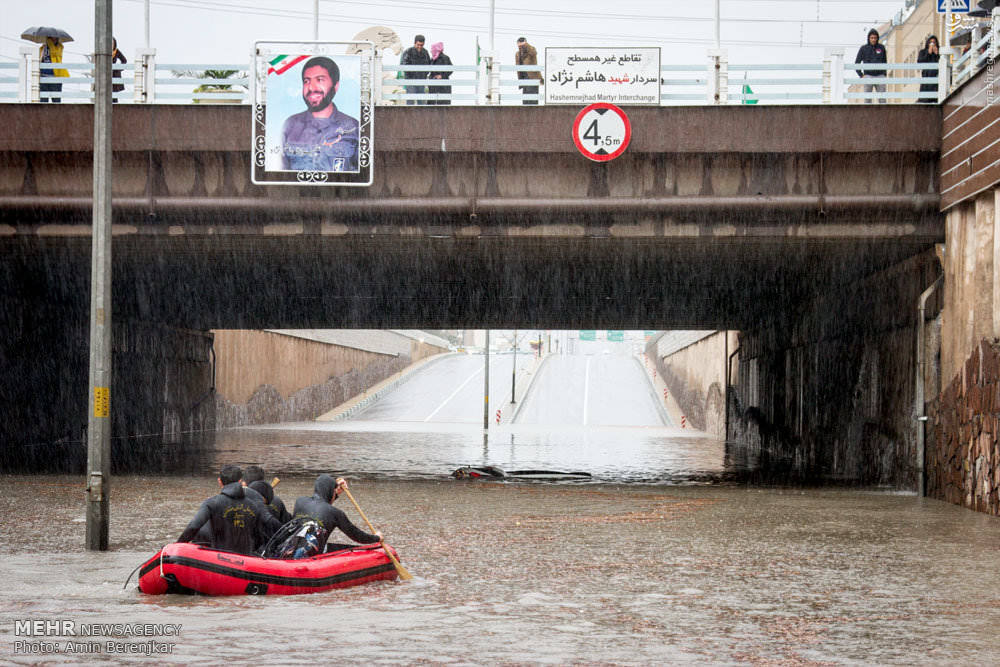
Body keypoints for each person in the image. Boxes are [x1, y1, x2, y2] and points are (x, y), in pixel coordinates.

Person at [176, 465, 282, 554]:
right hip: (246, 560)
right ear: (240, 481)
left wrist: (176, 546)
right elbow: (259, 537)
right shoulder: (253, 506)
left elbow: (193, 526)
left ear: (219, 481)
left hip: (218, 560)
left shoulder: (212, 503)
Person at [280, 56, 359, 172]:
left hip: (339, 190)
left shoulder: (353, 127)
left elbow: (362, 174)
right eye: (306, 81)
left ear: (336, 86)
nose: (311, 87)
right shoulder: (290, 125)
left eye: (320, 80)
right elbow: (279, 173)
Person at [292, 474, 381, 553]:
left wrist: (336, 492)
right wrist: (376, 538)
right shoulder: (335, 513)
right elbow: (356, 535)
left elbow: (323, 505)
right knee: (356, 549)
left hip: (292, 548)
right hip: (314, 553)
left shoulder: (300, 501)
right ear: (331, 492)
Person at [855, 29, 887, 104]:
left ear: (877, 38)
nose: (873, 40)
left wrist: (884, 74)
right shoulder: (863, 48)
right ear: (869, 38)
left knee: (882, 99)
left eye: (875, 38)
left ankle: (884, 114)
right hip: (868, 76)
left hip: (880, 75)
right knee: (867, 99)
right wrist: (861, 75)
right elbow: (857, 63)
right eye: (872, 38)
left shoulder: (881, 48)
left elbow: (885, 61)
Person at [400, 34, 431, 105]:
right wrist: (411, 74)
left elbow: (429, 64)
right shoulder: (408, 51)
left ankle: (422, 115)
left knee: (421, 101)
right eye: (418, 45)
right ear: (415, 43)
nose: (419, 47)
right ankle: (409, 115)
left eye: (421, 45)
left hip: (421, 80)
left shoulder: (425, 52)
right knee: (410, 100)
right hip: (410, 80)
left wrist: (424, 74)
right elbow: (403, 64)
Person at [39, 37, 68, 103]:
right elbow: (39, 59)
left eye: (55, 38)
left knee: (56, 101)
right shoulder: (43, 48)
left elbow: (55, 54)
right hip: (43, 76)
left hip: (55, 77)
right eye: (51, 38)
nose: (53, 39)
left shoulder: (59, 47)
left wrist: (50, 44)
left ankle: (57, 113)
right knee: (43, 101)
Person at [515, 37, 543, 105]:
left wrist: (525, 44)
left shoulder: (531, 49)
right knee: (525, 101)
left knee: (532, 100)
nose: (521, 46)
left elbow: (533, 53)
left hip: (532, 77)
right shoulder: (518, 54)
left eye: (523, 44)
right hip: (524, 79)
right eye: (519, 44)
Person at [916, 35, 939, 104]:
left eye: (934, 42)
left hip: (936, 76)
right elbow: (920, 61)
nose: (932, 44)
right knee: (925, 94)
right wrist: (928, 53)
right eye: (930, 42)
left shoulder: (939, 51)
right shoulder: (923, 52)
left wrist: (936, 54)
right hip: (926, 75)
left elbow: (941, 61)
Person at [111, 38, 127, 103]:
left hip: (114, 75)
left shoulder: (116, 51)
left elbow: (124, 61)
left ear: (115, 44)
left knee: (114, 95)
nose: (111, 45)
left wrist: (118, 69)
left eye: (112, 43)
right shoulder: (104, 51)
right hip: (105, 73)